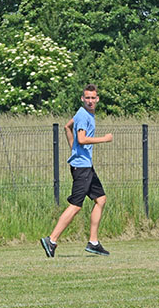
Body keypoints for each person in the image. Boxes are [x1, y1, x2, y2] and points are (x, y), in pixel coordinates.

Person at [41, 84, 113, 258]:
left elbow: (67, 127)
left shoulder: (83, 114)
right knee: (75, 206)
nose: (90, 101)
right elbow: (81, 139)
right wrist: (104, 139)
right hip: (82, 168)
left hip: (85, 165)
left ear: (97, 99)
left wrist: (74, 151)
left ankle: (93, 242)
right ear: (82, 99)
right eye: (87, 98)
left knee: (100, 199)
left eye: (92, 98)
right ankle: (52, 239)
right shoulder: (83, 116)